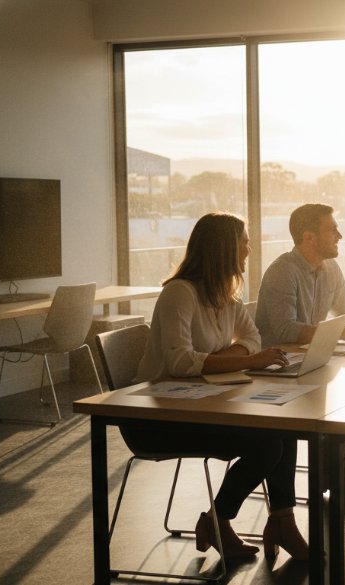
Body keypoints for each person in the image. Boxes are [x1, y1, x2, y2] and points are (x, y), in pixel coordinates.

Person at [132, 212, 309, 561]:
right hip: (157, 419)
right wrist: (243, 360)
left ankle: (281, 521)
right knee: (268, 445)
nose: (249, 248)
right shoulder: (178, 294)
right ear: (224, 248)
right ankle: (218, 521)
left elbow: (252, 337)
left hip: (202, 401)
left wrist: (221, 356)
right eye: (244, 241)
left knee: (283, 430)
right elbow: (181, 363)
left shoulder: (226, 295)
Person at [256, 203, 345, 494]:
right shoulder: (282, 272)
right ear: (308, 237)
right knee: (338, 395)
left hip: (311, 359)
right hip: (277, 367)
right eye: (332, 229)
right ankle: (331, 473)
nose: (340, 235)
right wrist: (339, 333)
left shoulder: (330, 268)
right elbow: (285, 331)